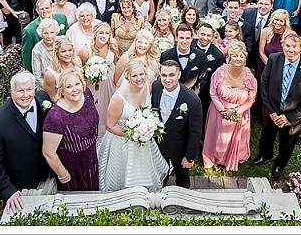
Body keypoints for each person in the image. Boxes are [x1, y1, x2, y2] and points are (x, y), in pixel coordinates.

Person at [253, 32, 301, 180]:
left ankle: (280, 164)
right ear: (283, 46)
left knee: (287, 142)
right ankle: (265, 154)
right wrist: (271, 111)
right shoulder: (274, 59)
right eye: (287, 45)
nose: (290, 50)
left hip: (293, 117)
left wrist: (288, 117)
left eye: (294, 46)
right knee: (267, 135)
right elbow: (264, 84)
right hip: (272, 110)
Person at [0, 71, 51, 214]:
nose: (26, 95)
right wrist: (8, 191)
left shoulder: (43, 99)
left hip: (50, 176)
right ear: (11, 92)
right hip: (23, 187)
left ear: (35, 88)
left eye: (29, 89)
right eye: (20, 91)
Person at [97, 59, 171, 192]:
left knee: (144, 167)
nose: (139, 79)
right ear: (128, 77)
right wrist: (134, 135)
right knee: (123, 171)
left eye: (141, 74)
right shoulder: (119, 97)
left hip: (144, 138)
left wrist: (146, 131)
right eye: (134, 76)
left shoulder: (148, 87)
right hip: (121, 141)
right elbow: (110, 125)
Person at [201, 40, 257, 171]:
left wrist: (236, 111)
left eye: (241, 56)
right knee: (217, 137)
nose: (238, 58)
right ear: (229, 57)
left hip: (239, 113)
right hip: (218, 111)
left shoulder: (250, 77)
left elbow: (251, 100)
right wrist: (222, 109)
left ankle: (232, 157)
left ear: (245, 58)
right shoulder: (220, 72)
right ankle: (213, 155)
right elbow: (212, 93)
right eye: (235, 55)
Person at [42, 68, 100, 191]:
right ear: (61, 90)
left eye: (77, 84)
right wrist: (63, 175)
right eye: (69, 87)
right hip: (72, 170)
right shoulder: (56, 117)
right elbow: (48, 152)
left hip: (91, 159)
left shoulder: (87, 95)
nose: (75, 90)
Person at [150, 59, 203, 188]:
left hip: (179, 149)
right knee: (159, 176)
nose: (167, 79)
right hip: (158, 147)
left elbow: (195, 132)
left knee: (182, 179)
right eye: (164, 75)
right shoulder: (156, 87)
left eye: (171, 75)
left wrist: (189, 157)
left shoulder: (192, 101)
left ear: (179, 75)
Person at [21, 0, 68, 73]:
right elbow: (27, 56)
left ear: (52, 8)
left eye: (47, 8)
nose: (45, 11)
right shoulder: (29, 30)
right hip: (44, 69)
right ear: (37, 11)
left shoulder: (62, 19)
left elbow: (67, 41)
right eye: (42, 9)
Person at [160, 24, 208, 95]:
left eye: (187, 38)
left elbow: (202, 80)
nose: (185, 41)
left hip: (192, 97)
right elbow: (163, 77)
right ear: (176, 38)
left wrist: (190, 95)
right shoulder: (166, 55)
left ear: (192, 38)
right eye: (181, 38)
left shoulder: (200, 56)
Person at [43, 36, 82, 102]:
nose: (68, 54)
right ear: (57, 53)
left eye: (70, 50)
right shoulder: (50, 73)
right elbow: (52, 97)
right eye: (63, 51)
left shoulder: (77, 62)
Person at [29, 18, 59, 88]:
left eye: (52, 32)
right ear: (41, 34)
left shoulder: (62, 43)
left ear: (56, 32)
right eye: (46, 33)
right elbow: (37, 77)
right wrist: (51, 89)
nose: (49, 36)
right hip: (46, 87)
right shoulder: (36, 50)